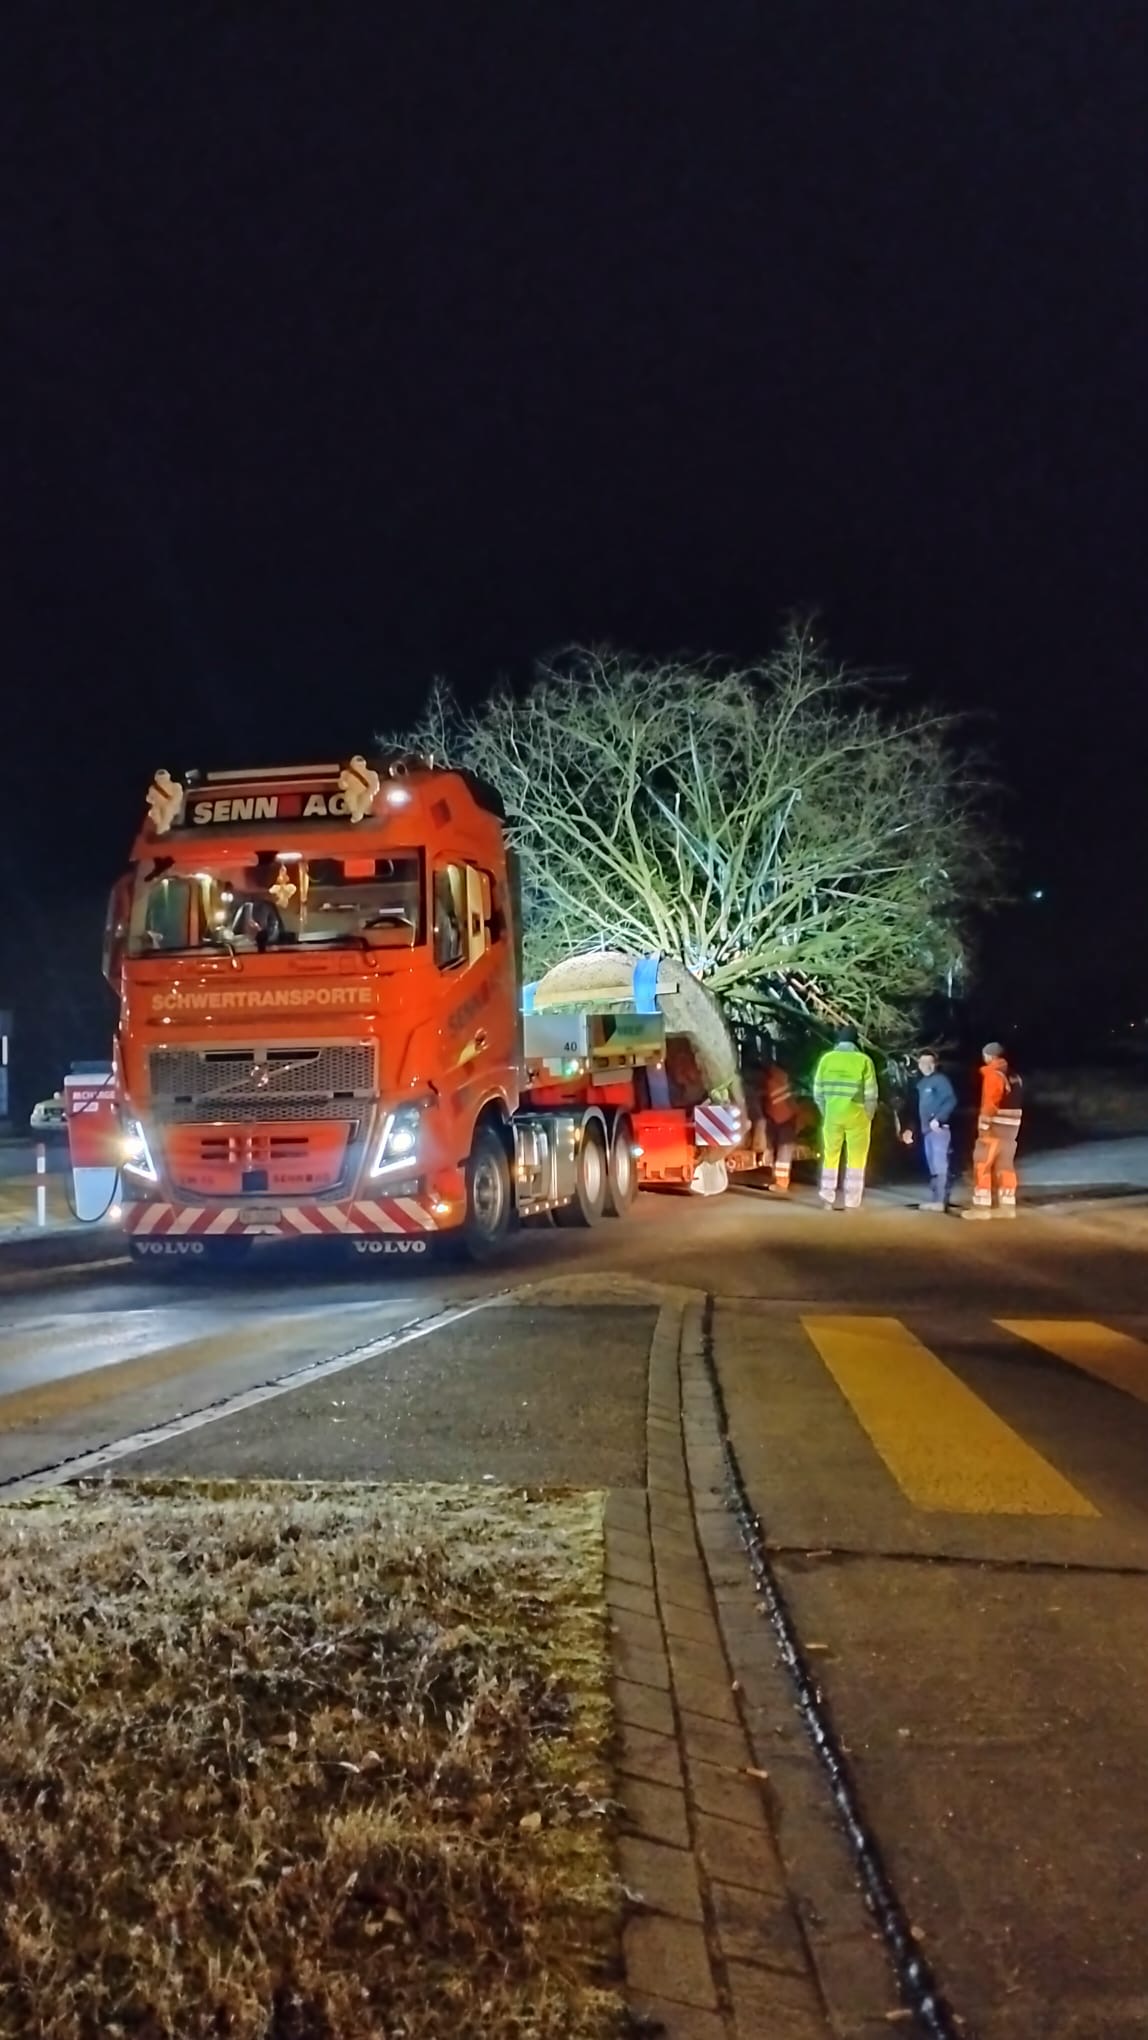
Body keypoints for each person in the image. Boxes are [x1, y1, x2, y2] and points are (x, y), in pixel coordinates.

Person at [813, 1027, 879, 1210]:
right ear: (855, 1042)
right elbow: (871, 1094)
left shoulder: (826, 1060)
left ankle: (827, 1197)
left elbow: (817, 1091)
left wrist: (826, 1111)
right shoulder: (864, 1061)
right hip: (857, 1115)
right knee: (856, 1158)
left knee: (831, 1155)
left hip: (832, 1115)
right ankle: (852, 1200)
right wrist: (869, 1115)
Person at [963, 1040, 1023, 1219]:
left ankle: (981, 1208)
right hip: (1011, 1130)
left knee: (982, 1163)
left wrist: (984, 1126)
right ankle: (1007, 1206)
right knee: (1005, 1165)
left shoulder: (993, 1075)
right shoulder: (1014, 1075)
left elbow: (990, 1102)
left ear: (989, 1056)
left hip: (994, 1128)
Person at [901, 1050, 957, 1211]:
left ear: (935, 1064)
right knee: (933, 1166)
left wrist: (939, 1119)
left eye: (930, 1062)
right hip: (927, 1131)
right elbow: (914, 1108)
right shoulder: (921, 1084)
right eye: (923, 1062)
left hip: (939, 1130)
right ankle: (936, 1200)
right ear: (918, 1064)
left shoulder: (940, 1080)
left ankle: (940, 1200)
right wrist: (910, 1129)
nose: (926, 1066)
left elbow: (951, 1100)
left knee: (940, 1165)